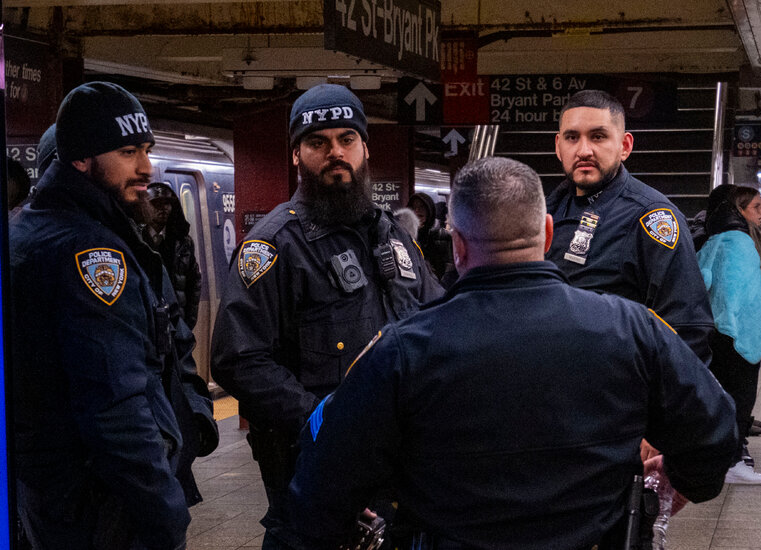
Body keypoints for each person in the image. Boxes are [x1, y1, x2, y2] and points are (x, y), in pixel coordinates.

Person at [286, 156, 738, 550]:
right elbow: (715, 430)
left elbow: (322, 482)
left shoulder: (402, 349)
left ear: (458, 245)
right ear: (545, 232)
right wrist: (685, 482)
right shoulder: (632, 328)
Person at [210, 83, 444, 550]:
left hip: (402, 470)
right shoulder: (275, 245)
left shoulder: (394, 236)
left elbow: (437, 321)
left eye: (346, 139)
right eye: (318, 142)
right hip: (315, 475)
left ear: (364, 147)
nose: (335, 152)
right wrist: (324, 420)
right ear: (297, 154)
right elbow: (239, 358)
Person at [9, 81, 217, 550]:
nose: (146, 168)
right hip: (102, 504)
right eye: (127, 152)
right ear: (81, 158)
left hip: (56, 494)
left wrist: (193, 422)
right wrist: (167, 513)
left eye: (146, 149)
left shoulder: (30, 231)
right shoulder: (89, 252)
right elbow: (115, 408)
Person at [546, 90, 715, 365]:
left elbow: (688, 333)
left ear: (625, 146)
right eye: (572, 137)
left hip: (614, 395)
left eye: (598, 136)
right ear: (558, 146)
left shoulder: (652, 218)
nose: (584, 150)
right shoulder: (545, 212)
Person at [697, 185, 761, 485]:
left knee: (730, 396)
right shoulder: (737, 241)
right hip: (731, 336)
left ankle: (728, 455)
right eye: (756, 207)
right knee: (737, 396)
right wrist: (741, 327)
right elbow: (734, 293)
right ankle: (732, 461)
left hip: (724, 334)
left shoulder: (726, 238)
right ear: (738, 210)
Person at [145, 182, 203, 330]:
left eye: (167, 204)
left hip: (176, 322)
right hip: (147, 322)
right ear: (145, 207)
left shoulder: (183, 243)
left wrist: (187, 323)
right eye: (156, 204)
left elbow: (194, 282)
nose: (163, 208)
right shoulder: (135, 239)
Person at [408, 191, 453, 280]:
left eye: (421, 207)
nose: (417, 210)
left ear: (429, 210)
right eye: (413, 207)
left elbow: (449, 268)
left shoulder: (442, 235)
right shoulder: (405, 235)